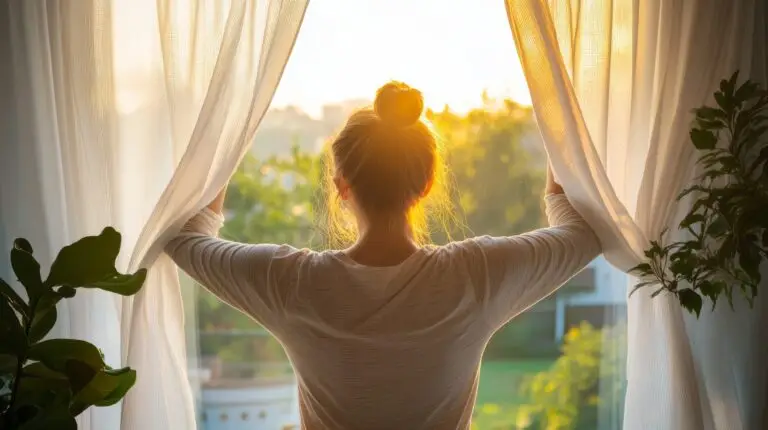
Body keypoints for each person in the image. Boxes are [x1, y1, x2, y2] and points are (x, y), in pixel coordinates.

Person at [166, 81, 601, 430]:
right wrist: (558, 100)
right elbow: (581, 234)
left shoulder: (292, 284)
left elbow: (187, 238)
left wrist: (226, 123)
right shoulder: (476, 276)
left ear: (341, 187)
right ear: (427, 182)